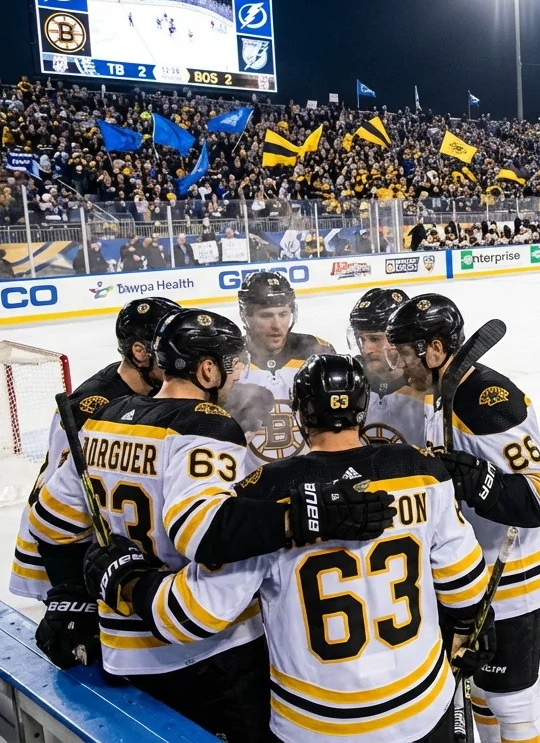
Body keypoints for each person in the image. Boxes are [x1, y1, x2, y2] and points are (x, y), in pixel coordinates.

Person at [82, 354, 492, 743]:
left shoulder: (265, 494)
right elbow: (467, 587)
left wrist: (125, 578)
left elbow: (192, 615)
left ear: (298, 414)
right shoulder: (421, 472)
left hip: (314, 724)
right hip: (424, 706)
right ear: (362, 409)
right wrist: (465, 633)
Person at [28, 310, 393, 739]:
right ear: (207, 369)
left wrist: (95, 577)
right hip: (210, 654)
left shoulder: (104, 418)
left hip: (123, 648)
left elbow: (48, 521)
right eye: (232, 365)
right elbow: (204, 531)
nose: (237, 376)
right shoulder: (208, 426)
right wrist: (303, 514)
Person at [386, 294, 540, 743]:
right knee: (482, 695)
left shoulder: (485, 397)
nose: (402, 366)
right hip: (479, 577)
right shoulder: (444, 394)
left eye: (406, 354)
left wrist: (482, 481)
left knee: (513, 705)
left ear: (436, 349)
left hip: (515, 579)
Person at [9, 297, 183, 601]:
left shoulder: (148, 387)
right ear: (140, 353)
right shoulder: (96, 405)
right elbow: (63, 499)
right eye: (168, 347)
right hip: (63, 542)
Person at [225, 272, 334, 461]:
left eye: (283, 314)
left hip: (309, 476)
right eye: (266, 316)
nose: (277, 325)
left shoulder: (316, 353)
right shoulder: (228, 360)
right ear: (245, 315)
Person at [347, 288, 422, 446]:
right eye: (362, 339)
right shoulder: (352, 381)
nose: (367, 349)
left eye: (375, 339)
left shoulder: (428, 386)